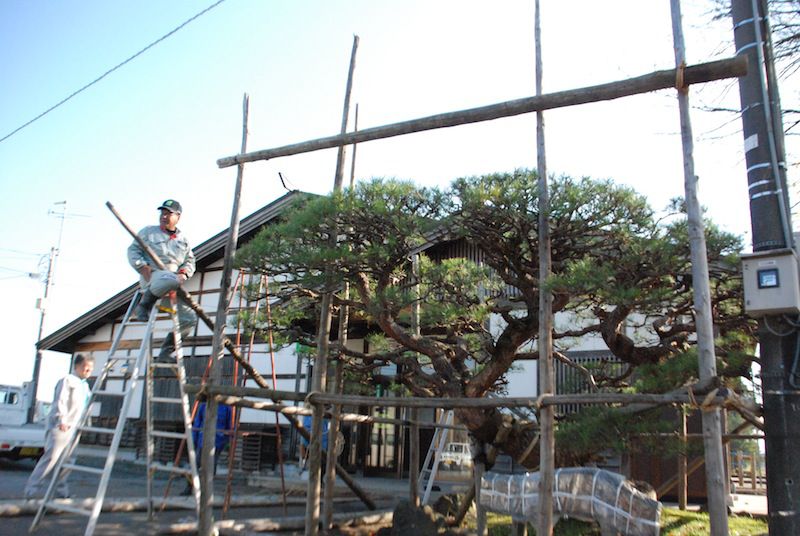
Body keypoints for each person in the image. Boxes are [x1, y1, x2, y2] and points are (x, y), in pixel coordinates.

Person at [127, 199, 196, 361]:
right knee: (169, 279)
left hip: (172, 285)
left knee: (189, 319)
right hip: (153, 277)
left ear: (177, 216)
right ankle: (145, 304)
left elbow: (190, 261)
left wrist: (184, 274)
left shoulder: (183, 240)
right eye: (162, 213)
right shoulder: (148, 232)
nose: (164, 217)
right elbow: (133, 250)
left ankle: (165, 352)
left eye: (168, 214)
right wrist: (141, 266)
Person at [24, 354, 95, 499]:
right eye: (84, 367)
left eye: (90, 369)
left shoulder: (86, 386)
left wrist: (86, 424)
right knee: (51, 458)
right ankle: (31, 491)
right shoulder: (67, 380)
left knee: (67, 461)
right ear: (76, 366)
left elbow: (85, 407)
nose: (87, 370)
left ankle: (61, 493)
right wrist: (61, 419)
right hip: (62, 425)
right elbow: (60, 400)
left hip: (76, 427)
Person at [182, 400, 232, 495]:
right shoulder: (204, 405)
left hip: (217, 441)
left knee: (211, 466)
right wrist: (194, 438)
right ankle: (189, 487)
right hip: (203, 439)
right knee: (195, 464)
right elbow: (197, 422)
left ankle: (206, 490)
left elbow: (229, 426)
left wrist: (226, 441)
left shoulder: (226, 408)